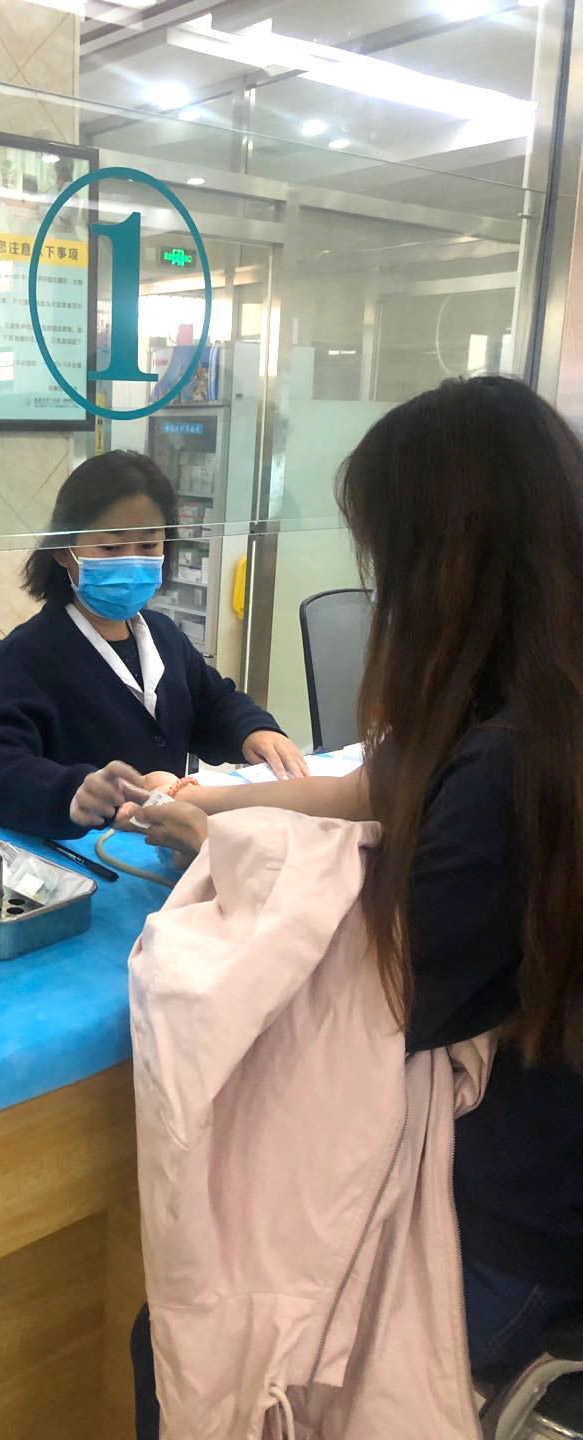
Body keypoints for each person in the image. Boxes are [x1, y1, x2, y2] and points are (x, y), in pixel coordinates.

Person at [121, 375, 583, 1429]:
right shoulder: (542, 708)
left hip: (519, 1227)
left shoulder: (513, 774)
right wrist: (223, 799)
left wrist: (221, 847)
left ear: (448, 566)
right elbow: (386, 780)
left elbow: (364, 985)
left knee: (197, 1333)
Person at [0, 451, 306, 839]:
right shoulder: (28, 656)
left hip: (165, 843)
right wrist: (71, 791)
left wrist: (253, 731)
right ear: (62, 551)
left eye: (148, 545)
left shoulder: (163, 636)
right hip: (80, 854)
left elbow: (213, 704)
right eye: (111, 548)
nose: (132, 561)